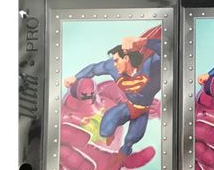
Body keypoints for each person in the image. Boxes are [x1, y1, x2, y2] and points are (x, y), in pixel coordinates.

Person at [64, 27, 161, 156]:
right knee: (105, 130)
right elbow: (93, 69)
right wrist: (76, 77)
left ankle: (122, 155)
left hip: (143, 109)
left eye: (116, 61)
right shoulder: (113, 67)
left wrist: (144, 42)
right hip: (128, 106)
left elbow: (167, 52)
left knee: (131, 139)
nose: (114, 64)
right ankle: (109, 142)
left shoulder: (151, 65)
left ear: (126, 59)